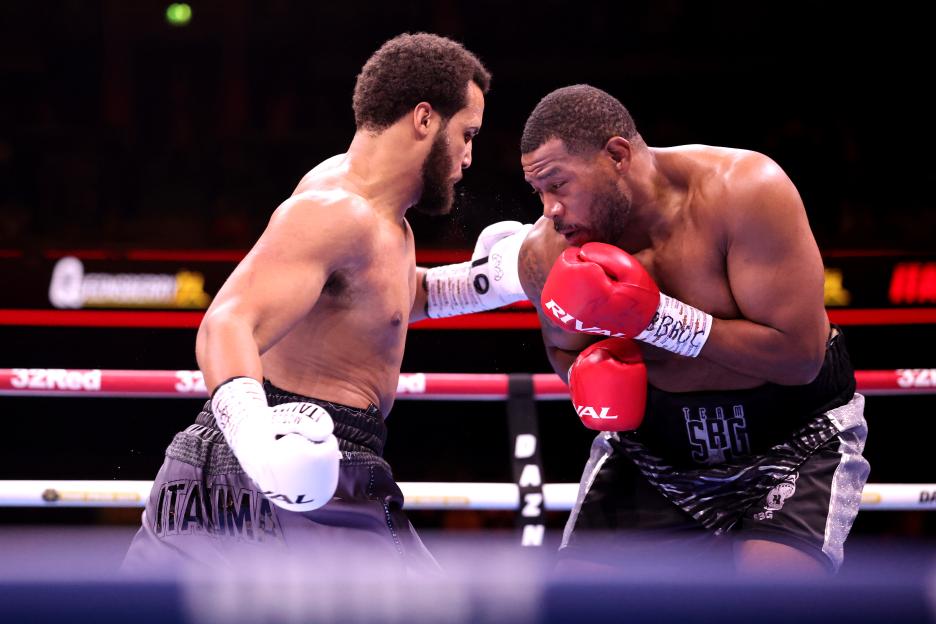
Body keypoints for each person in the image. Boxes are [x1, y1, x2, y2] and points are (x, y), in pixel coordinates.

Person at [122, 33, 531, 576]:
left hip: (246, 463)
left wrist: (491, 282)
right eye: (467, 134)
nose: (470, 156)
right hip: (296, 453)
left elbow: (385, 302)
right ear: (425, 119)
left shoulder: (379, 218)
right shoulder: (336, 211)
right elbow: (227, 321)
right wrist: (258, 441)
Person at [515, 84, 869, 575]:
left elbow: (800, 357)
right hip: (654, 451)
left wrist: (658, 321)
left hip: (791, 439)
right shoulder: (547, 253)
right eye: (538, 191)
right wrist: (590, 378)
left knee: (774, 600)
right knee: (579, 600)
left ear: (617, 155)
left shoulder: (744, 192)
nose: (550, 208)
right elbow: (564, 352)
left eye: (558, 185)